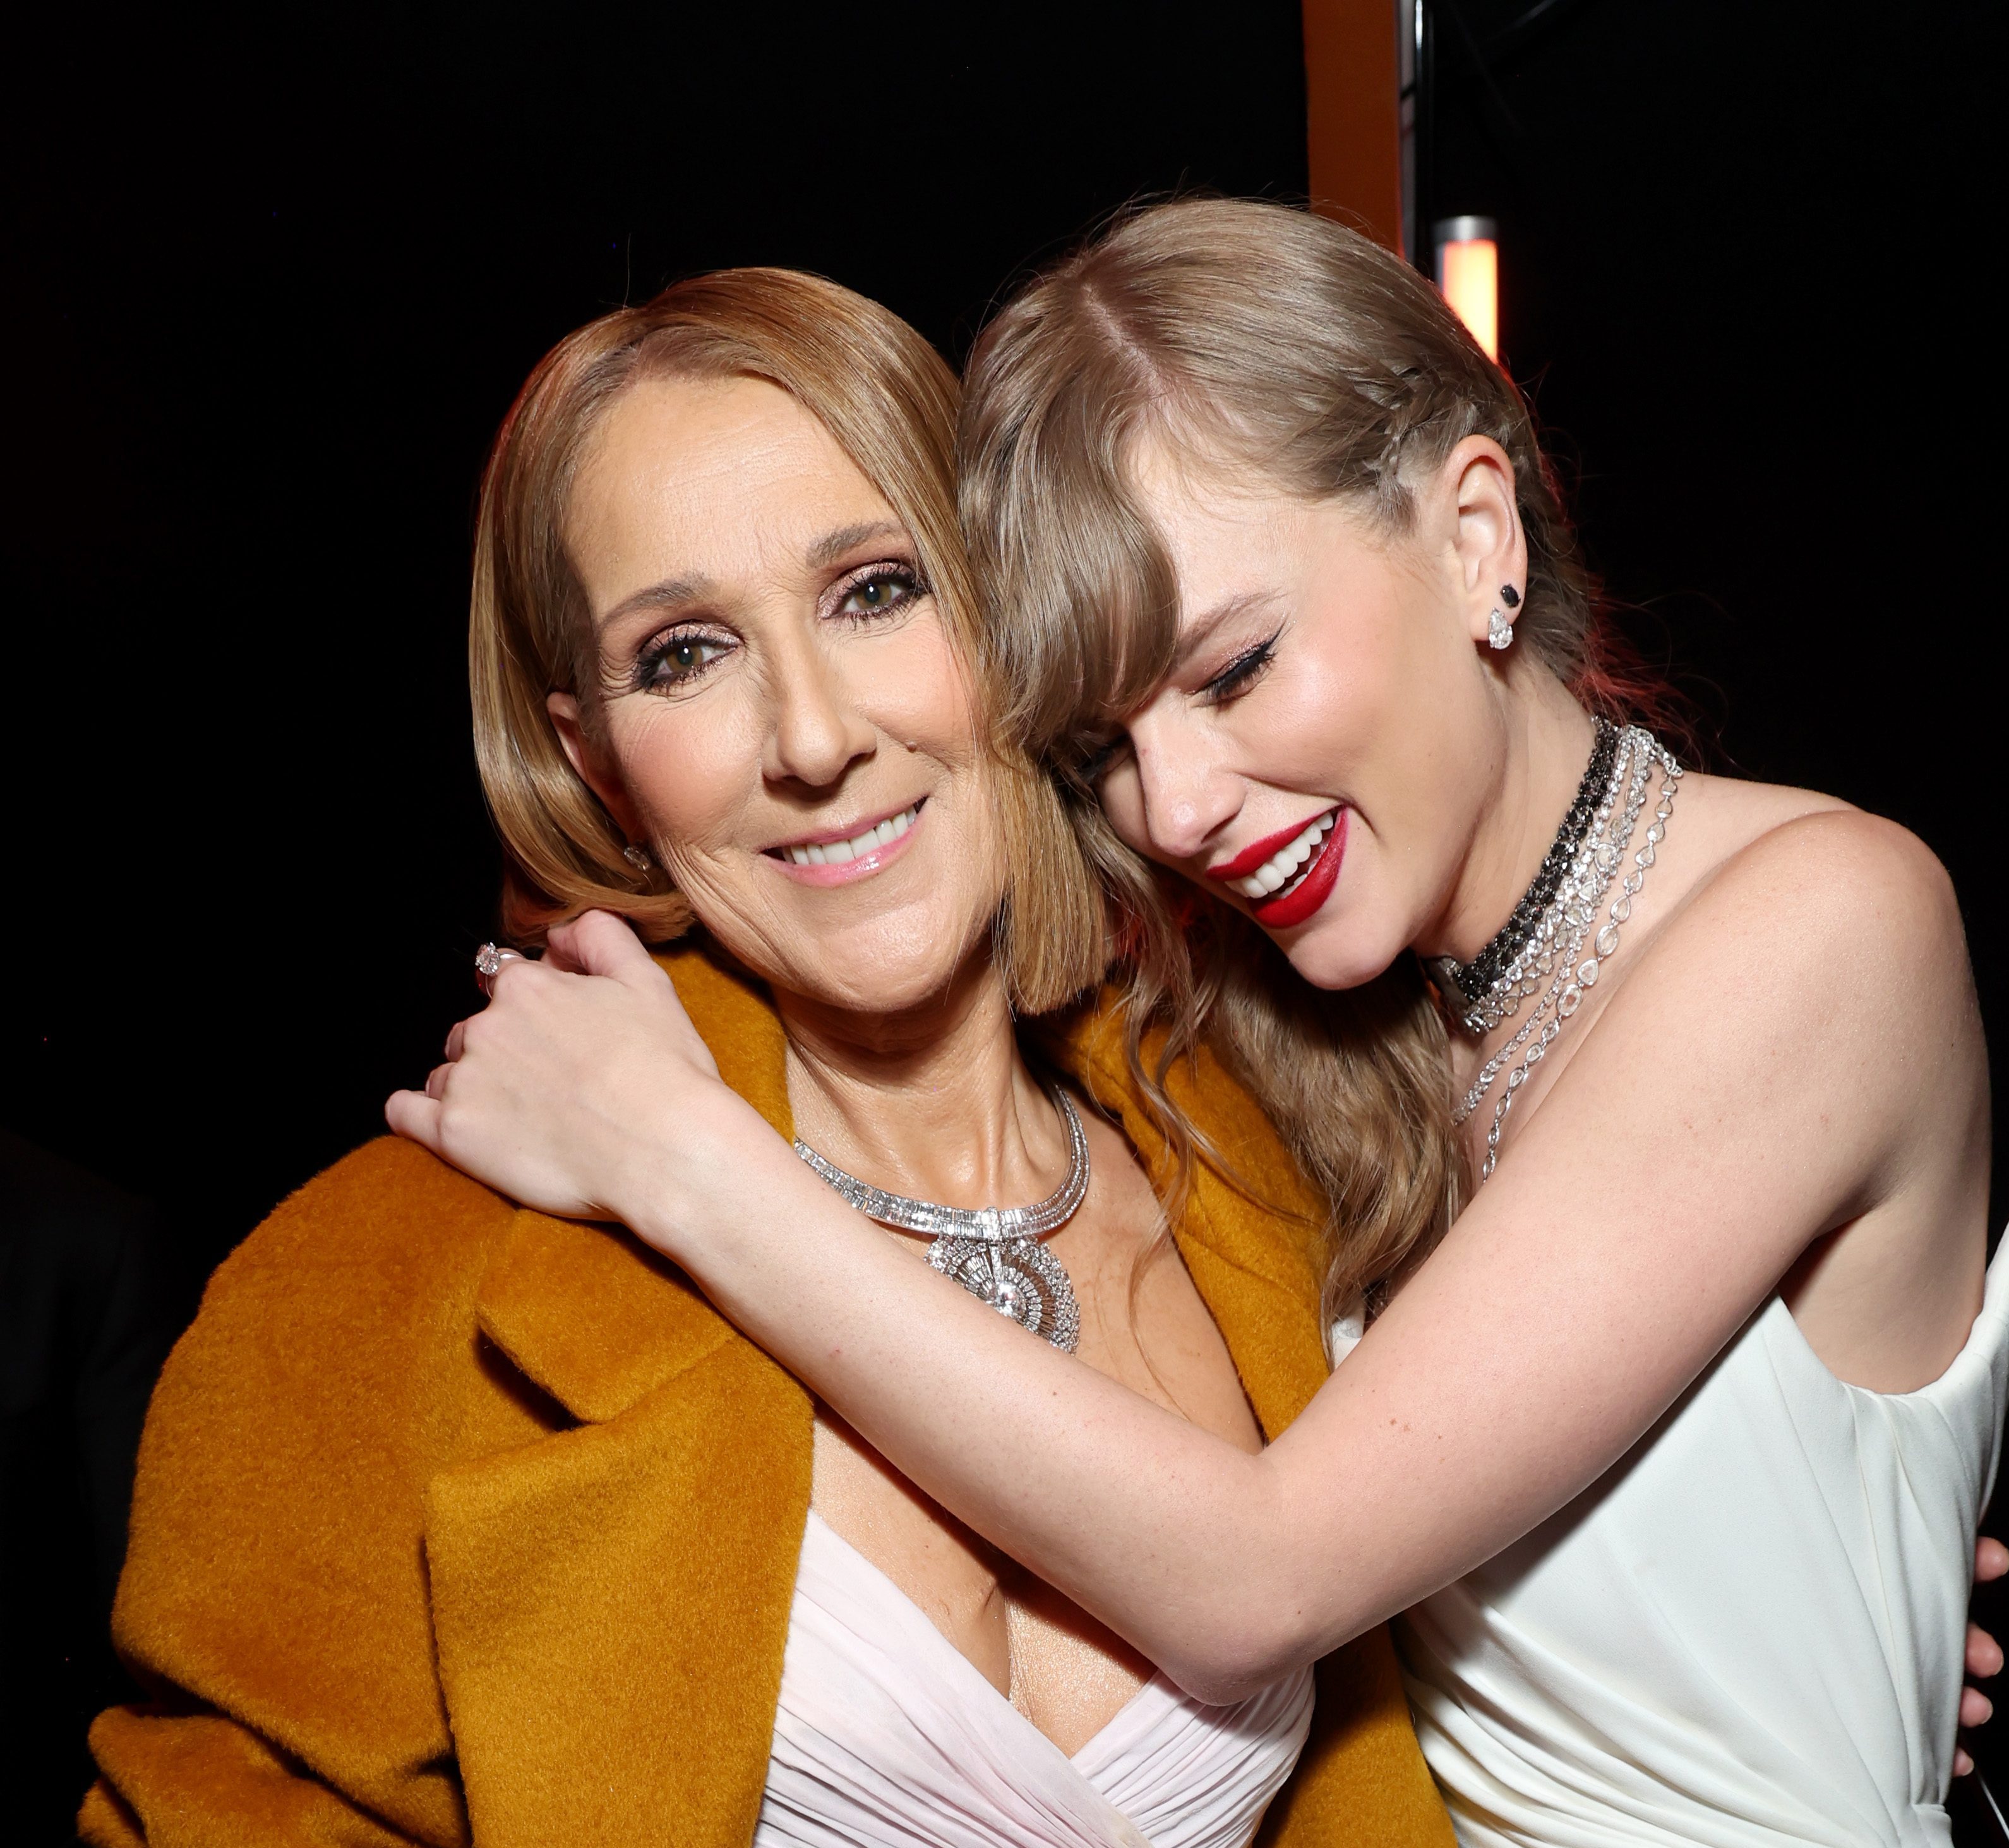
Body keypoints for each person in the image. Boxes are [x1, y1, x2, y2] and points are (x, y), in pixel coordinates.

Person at [399, 200, 2009, 1848]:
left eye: (1237, 665)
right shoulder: (1280, 1037)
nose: (1172, 806)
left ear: (1475, 534)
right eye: (1105, 741)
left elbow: (1264, 1572)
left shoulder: (1830, 920)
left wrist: (683, 1155)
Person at [80, 268, 1456, 1848]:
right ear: (593, 759)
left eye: (875, 590)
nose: (811, 737)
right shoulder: (379, 1283)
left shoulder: (1272, 1155)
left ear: (1013, 614)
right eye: (683, 654)